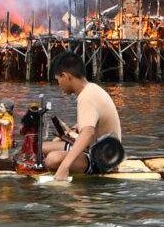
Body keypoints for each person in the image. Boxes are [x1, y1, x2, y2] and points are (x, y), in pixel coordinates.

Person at [42, 51, 122, 181]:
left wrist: (64, 167)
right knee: (41, 148)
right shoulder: (92, 89)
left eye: (58, 80)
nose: (59, 85)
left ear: (65, 76)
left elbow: (88, 132)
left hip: (104, 158)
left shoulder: (86, 97)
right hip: (100, 149)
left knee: (52, 159)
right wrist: (76, 128)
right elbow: (92, 124)